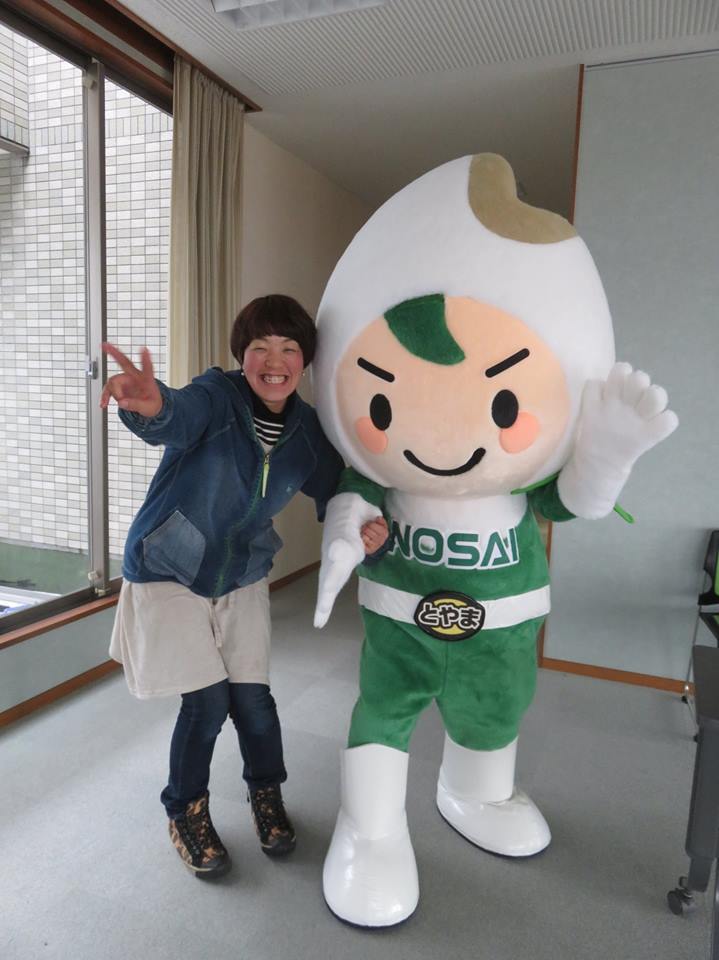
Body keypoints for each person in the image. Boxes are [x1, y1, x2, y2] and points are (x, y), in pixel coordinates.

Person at [102, 294, 389, 879]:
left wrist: (370, 529)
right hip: (171, 567)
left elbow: (340, 493)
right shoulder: (217, 397)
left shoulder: (307, 432)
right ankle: (185, 810)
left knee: (253, 701)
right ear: (242, 355)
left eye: (289, 348)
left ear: (306, 360)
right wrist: (152, 407)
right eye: (260, 347)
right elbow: (176, 414)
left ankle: (266, 794)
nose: (274, 361)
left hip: (242, 572)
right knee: (207, 702)